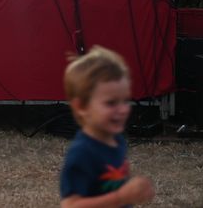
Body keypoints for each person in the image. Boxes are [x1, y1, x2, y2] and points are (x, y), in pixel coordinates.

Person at [60, 46, 155, 207]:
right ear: (81, 107)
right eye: (111, 103)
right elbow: (70, 204)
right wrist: (120, 197)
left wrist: (133, 189)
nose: (123, 109)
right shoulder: (82, 153)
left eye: (125, 101)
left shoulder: (117, 140)